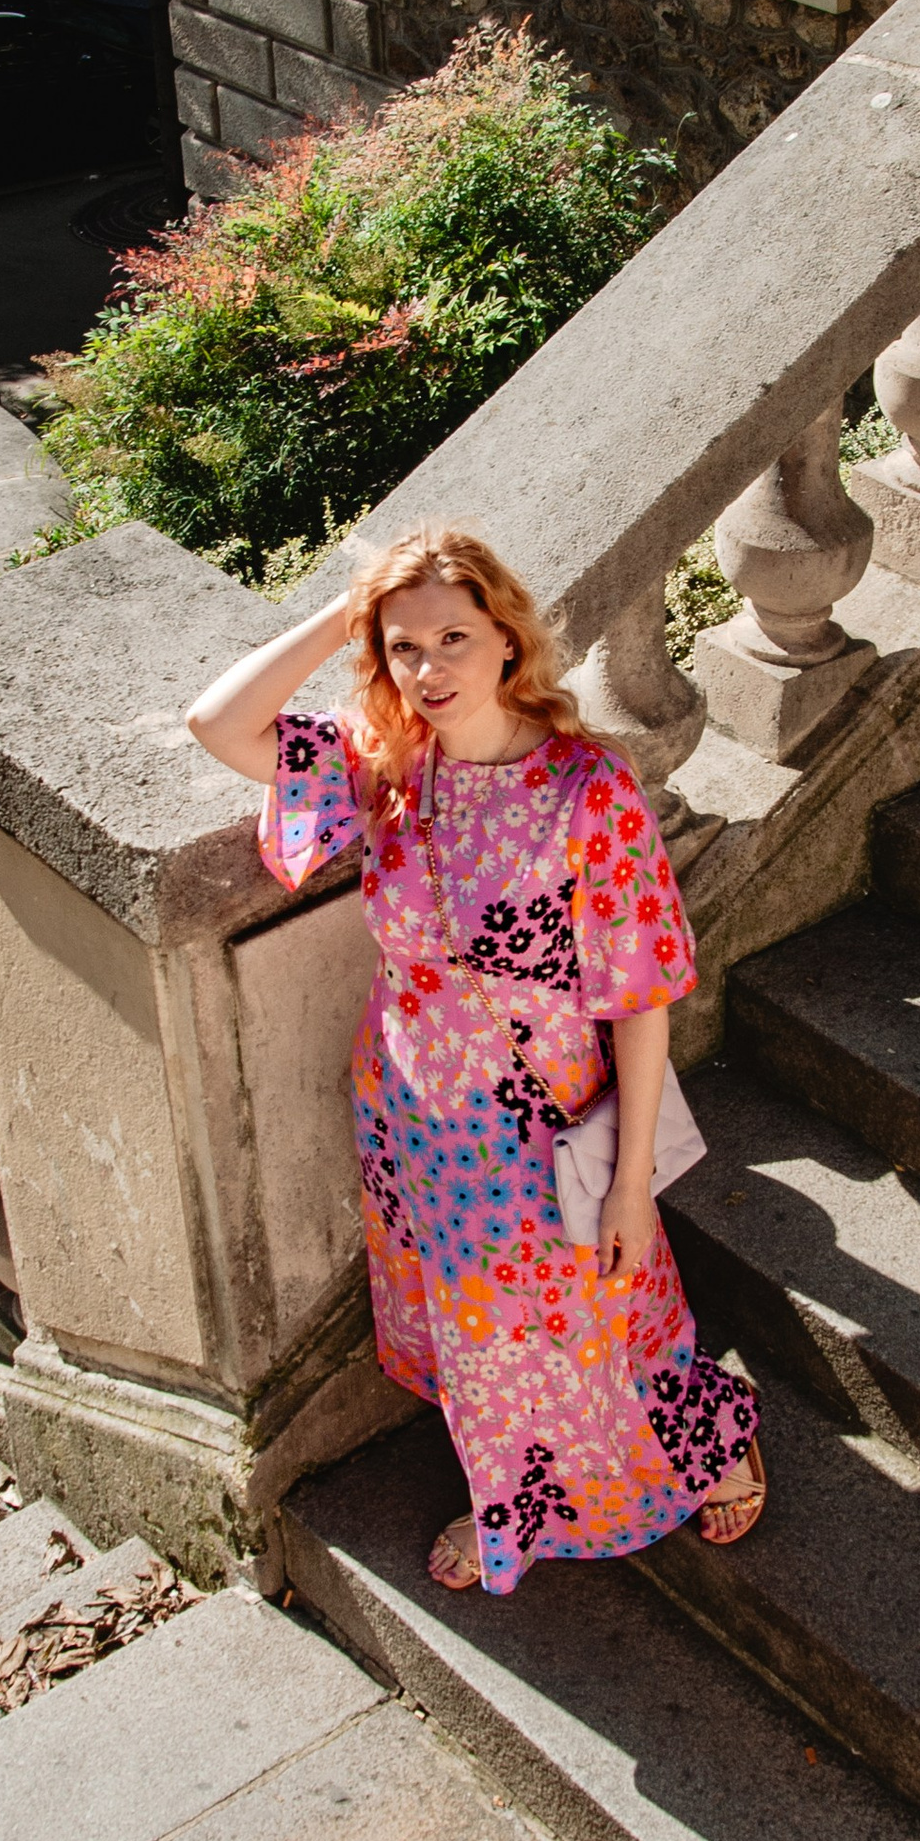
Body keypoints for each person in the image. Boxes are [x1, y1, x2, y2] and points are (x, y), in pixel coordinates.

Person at [187, 522, 766, 1596]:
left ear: (508, 639)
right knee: (479, 1335)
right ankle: (515, 1500)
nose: (428, 669)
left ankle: (703, 1442)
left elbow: (638, 999)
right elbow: (218, 723)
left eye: (453, 637)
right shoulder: (387, 768)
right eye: (403, 649)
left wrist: (633, 1179)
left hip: (543, 1111)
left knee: (606, 1305)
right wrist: (351, 609)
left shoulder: (589, 788)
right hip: (415, 1109)